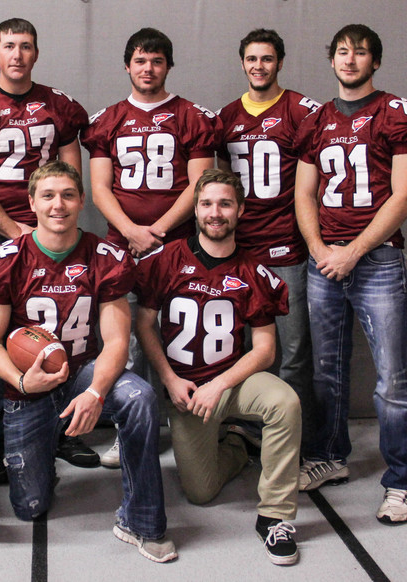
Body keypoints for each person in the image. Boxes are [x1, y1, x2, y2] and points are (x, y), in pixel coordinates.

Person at [0, 161, 176, 563]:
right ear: (31, 202)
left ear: (82, 201)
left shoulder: (105, 256)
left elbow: (118, 339)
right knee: (30, 506)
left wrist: (97, 392)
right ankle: (45, 449)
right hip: (27, 385)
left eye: (68, 195)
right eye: (47, 195)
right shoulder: (5, 258)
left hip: (82, 371)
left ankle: (142, 521)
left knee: (139, 397)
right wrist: (21, 379)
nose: (58, 205)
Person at [0, 18, 94, 484]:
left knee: (66, 335)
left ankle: (64, 431)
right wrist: (16, 232)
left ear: (36, 53)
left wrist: (47, 230)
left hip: (56, 236)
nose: (17, 54)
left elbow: (72, 181)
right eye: (9, 46)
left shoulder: (60, 106)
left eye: (25, 46)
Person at [294, 24, 407, 525]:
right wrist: (318, 249)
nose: (350, 60)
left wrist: (352, 250)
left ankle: (402, 482)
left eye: (361, 52)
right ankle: (330, 457)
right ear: (331, 59)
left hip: (375, 260)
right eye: (343, 52)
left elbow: (405, 196)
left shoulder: (398, 114)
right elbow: (304, 194)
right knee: (326, 370)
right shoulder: (317, 120)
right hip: (324, 259)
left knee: (392, 379)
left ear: (376, 61)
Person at [135, 169, 301, 566]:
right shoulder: (164, 260)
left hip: (233, 380)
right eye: (207, 203)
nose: (215, 212)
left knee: (285, 402)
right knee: (200, 492)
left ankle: (276, 516)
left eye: (225, 204)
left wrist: (219, 384)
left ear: (240, 210)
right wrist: (170, 379)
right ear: (195, 210)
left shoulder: (253, 271)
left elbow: (265, 350)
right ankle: (240, 446)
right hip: (186, 390)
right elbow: (143, 324)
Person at [81, 27, 221, 467]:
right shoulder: (107, 119)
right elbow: (100, 188)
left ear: (169, 66)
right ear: (128, 65)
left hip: (176, 243)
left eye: (157, 61)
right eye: (140, 60)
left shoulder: (192, 116)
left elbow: (200, 183)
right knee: (125, 340)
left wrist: (154, 231)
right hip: (120, 244)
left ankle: (194, 427)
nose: (148, 68)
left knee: (183, 333)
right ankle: (131, 430)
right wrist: (130, 232)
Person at [216, 29, 320, 452]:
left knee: (292, 351)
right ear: (242, 63)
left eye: (267, 58)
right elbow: (219, 185)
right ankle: (244, 428)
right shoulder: (225, 117)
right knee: (239, 348)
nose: (259, 66)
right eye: (252, 59)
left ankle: (293, 439)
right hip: (239, 250)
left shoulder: (301, 110)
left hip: (285, 247)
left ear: (280, 62)